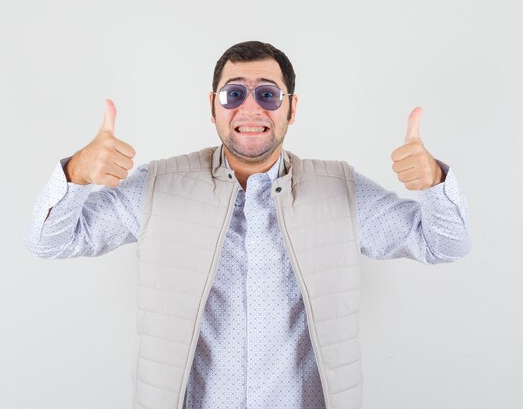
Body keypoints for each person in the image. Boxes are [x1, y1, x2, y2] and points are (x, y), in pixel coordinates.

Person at [24, 41, 470, 409]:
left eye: (268, 94)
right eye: (234, 94)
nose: (250, 108)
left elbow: (443, 245)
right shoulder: (157, 186)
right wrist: (75, 174)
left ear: (291, 109)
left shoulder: (342, 189)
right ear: (213, 107)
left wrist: (434, 184)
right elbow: (50, 241)